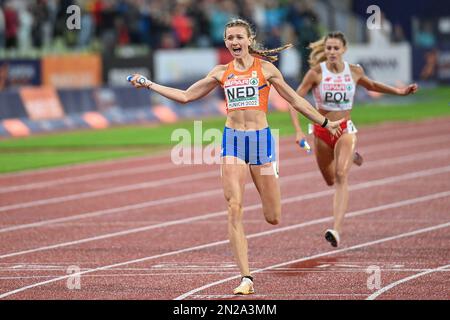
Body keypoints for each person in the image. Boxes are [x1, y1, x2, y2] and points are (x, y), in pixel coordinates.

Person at [129, 18, 344, 295]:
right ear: (226, 41)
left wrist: (325, 123)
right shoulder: (221, 72)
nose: (234, 42)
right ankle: (246, 277)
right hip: (232, 142)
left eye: (239, 37)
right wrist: (149, 84)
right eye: (230, 38)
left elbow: (296, 100)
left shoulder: (265, 69)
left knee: (273, 216)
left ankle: (271, 179)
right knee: (234, 208)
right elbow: (185, 96)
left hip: (261, 143)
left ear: (249, 40)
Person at [288, 31, 418, 248]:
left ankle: (336, 230)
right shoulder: (315, 73)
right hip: (321, 132)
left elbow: (373, 86)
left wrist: (400, 91)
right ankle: (352, 156)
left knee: (340, 175)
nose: (331, 52)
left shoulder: (354, 71)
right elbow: (294, 100)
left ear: (344, 50)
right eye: (328, 48)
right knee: (329, 179)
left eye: (335, 48)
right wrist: (298, 131)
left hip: (345, 130)